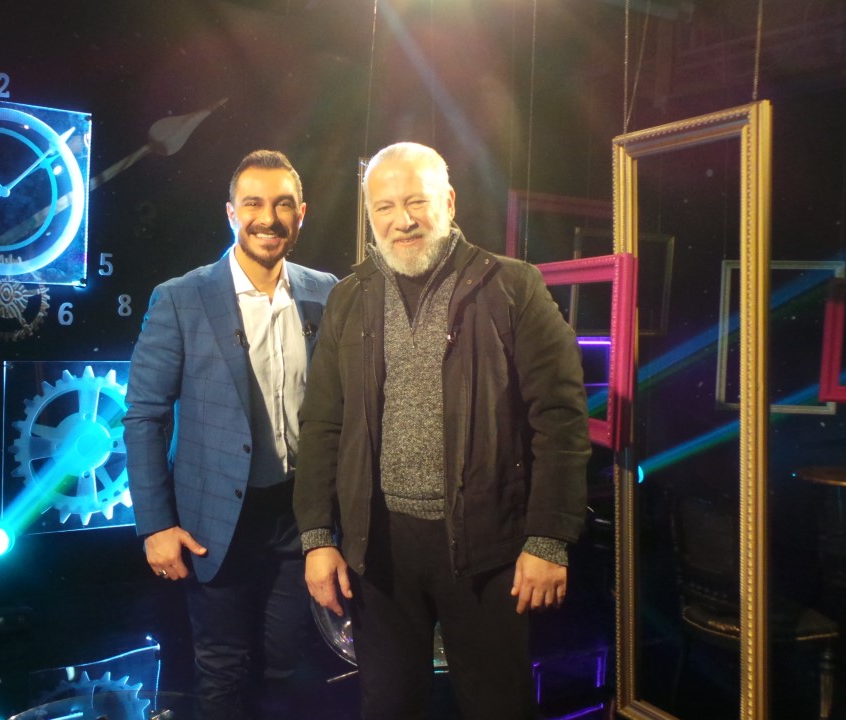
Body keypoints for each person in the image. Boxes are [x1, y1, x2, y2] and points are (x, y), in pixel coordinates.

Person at [293, 141, 589, 719]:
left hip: (490, 549)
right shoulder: (348, 298)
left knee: (498, 708)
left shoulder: (513, 286)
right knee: (388, 707)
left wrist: (549, 537)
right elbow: (322, 423)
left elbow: (560, 417)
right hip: (377, 549)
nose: (401, 220)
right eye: (384, 207)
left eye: (416, 202)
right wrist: (318, 538)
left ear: (448, 202)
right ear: (369, 215)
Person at [123, 149, 338, 719]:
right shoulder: (180, 297)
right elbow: (144, 415)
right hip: (214, 520)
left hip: (299, 516)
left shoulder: (328, 292)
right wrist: (155, 525)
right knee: (222, 670)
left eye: (283, 205)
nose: (268, 218)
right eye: (253, 204)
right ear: (230, 212)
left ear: (301, 214)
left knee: (289, 667)